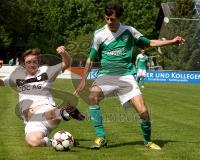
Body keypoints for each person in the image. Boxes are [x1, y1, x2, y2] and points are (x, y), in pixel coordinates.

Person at [74, 2, 185, 150]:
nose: (109, 22)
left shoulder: (129, 31)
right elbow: (90, 58)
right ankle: (101, 137)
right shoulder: (99, 34)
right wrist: (83, 80)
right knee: (93, 97)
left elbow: (150, 42)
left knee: (143, 112)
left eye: (112, 19)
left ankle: (148, 141)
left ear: (119, 18)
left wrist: (172, 41)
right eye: (107, 18)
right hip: (106, 75)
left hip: (126, 76)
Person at [0, 46, 85, 147]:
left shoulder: (46, 71)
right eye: (28, 62)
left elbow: (67, 63)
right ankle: (59, 141)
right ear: (23, 64)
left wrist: (63, 53)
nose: (32, 64)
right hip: (32, 122)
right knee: (33, 142)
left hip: (47, 112)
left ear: (38, 63)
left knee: (50, 113)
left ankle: (65, 112)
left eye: (34, 62)